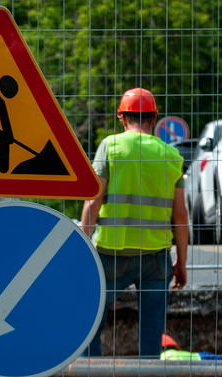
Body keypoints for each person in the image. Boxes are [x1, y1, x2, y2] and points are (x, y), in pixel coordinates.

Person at [81, 88, 189, 359]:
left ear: (122, 117)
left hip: (112, 254)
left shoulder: (111, 146)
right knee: (152, 334)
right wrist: (181, 262)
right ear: (154, 118)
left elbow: (92, 203)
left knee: (89, 323)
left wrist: (82, 247)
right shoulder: (171, 156)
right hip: (156, 258)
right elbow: (181, 215)